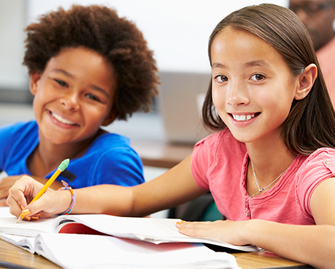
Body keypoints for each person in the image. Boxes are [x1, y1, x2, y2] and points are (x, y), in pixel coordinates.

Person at [7, 3, 335, 268]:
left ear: (302, 82)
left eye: (257, 75)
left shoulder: (316, 172)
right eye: (222, 77)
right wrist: (61, 200)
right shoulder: (221, 153)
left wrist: (248, 229)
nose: (235, 96)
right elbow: (136, 199)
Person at [0, 5, 159, 205]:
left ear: (110, 113)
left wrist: (50, 190)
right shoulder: (13, 140)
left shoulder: (113, 160)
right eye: (61, 82)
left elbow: (139, 226)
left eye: (92, 96)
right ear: (35, 81)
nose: (71, 102)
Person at [289, 0, 335, 105]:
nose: (300, 17)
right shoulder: (279, 57)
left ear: (333, 10)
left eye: (312, 8)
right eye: (292, 9)